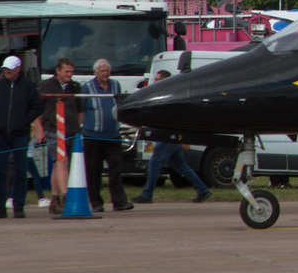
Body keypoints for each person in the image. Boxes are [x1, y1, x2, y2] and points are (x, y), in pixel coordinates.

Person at [135, 71, 213, 204]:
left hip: (168, 135)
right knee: (180, 165)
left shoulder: (168, 96)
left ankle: (147, 194)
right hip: (170, 135)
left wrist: (181, 137)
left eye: (158, 79)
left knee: (155, 164)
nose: (154, 81)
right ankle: (203, 190)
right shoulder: (166, 94)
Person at [0, 55, 42, 218]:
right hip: (2, 135)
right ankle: (0, 206)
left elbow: (37, 107)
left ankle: (19, 206)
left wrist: (24, 122)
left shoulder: (28, 85)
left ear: (18, 69)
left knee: (20, 170)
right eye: (5, 68)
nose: (6, 71)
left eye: (9, 68)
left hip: (20, 135)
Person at [80, 58, 131, 212]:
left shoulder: (116, 85)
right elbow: (81, 110)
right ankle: (96, 202)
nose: (105, 73)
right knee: (93, 170)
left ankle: (119, 202)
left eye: (107, 70)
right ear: (95, 72)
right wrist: (81, 129)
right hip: (92, 136)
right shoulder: (87, 87)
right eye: (102, 70)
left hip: (113, 135)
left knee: (115, 169)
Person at [37, 58, 82, 216]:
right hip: (53, 130)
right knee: (62, 162)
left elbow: (80, 109)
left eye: (71, 72)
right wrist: (40, 129)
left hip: (71, 132)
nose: (70, 74)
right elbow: (36, 109)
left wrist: (78, 127)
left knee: (59, 165)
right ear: (58, 70)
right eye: (66, 71)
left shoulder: (75, 87)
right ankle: (67, 198)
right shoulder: (46, 85)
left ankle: (55, 200)